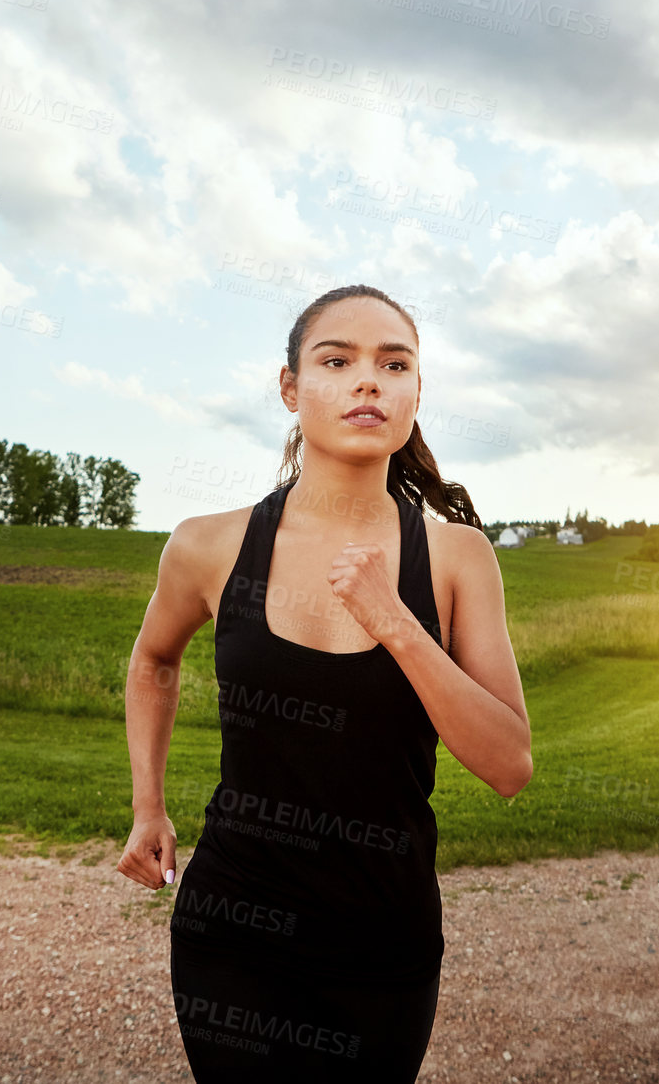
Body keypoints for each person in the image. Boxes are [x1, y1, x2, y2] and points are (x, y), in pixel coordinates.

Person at [117, 283, 532, 1081]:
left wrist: (396, 623)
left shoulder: (456, 558)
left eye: (393, 363)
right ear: (289, 388)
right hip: (232, 926)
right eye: (336, 360)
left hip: (382, 935)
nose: (367, 381)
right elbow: (152, 660)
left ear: (416, 391)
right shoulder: (207, 546)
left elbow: (508, 765)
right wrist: (147, 806)